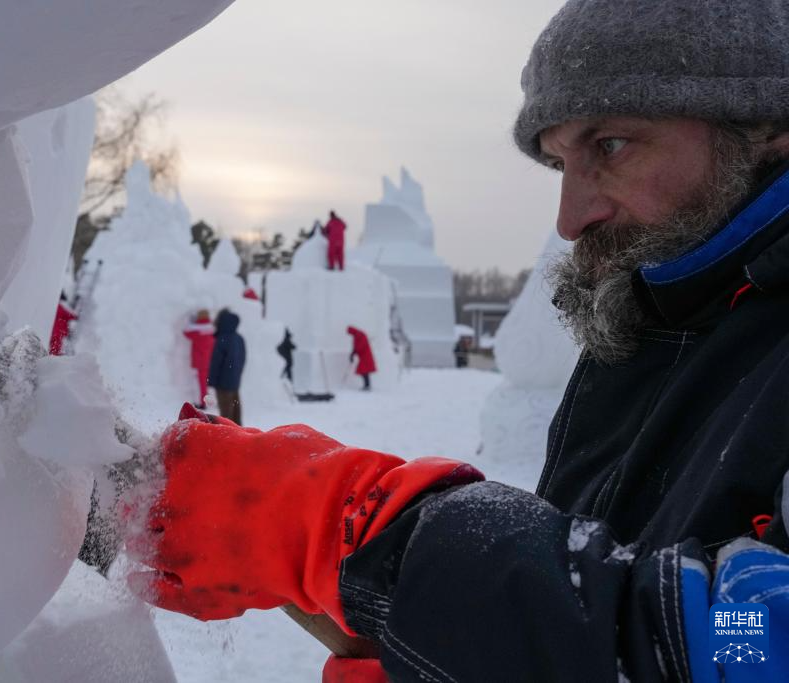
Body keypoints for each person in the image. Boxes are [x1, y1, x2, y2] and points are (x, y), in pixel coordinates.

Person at [126, 2, 789, 681]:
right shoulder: (650, 321)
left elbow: (750, 645)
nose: (568, 217)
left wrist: (351, 532)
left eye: (610, 145)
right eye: (560, 162)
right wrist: (439, 647)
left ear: (767, 126)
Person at [207, 308, 246, 425]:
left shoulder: (222, 339)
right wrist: (237, 375)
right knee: (235, 413)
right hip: (234, 381)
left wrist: (211, 381)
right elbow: (243, 359)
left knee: (226, 416)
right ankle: (242, 437)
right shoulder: (239, 338)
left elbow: (216, 363)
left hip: (223, 384)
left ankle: (228, 438)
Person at [182, 309, 214, 409]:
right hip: (209, 360)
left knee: (201, 384)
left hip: (200, 362)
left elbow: (186, 333)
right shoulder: (211, 330)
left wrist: (191, 322)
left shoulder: (197, 331)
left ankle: (203, 403)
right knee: (205, 383)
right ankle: (207, 401)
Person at [346, 326, 376, 390]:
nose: (350, 334)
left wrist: (354, 352)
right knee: (364, 371)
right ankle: (367, 385)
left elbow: (361, 346)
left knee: (364, 371)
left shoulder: (360, 334)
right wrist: (352, 353)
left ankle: (367, 386)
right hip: (363, 356)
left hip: (366, 356)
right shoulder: (356, 335)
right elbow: (356, 346)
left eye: (350, 333)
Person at [48, 291, 77, 355]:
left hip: (51, 331)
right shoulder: (59, 307)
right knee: (56, 350)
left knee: (52, 348)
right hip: (58, 332)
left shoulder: (52, 306)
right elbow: (72, 316)